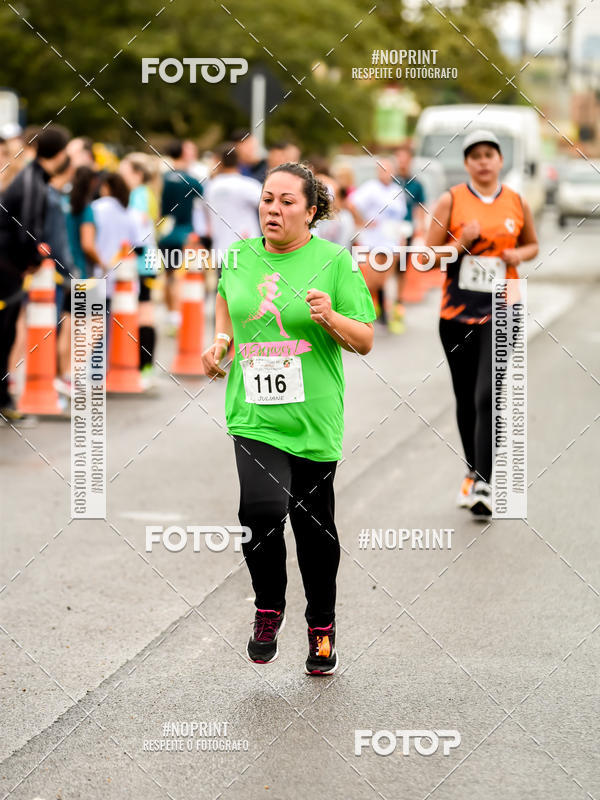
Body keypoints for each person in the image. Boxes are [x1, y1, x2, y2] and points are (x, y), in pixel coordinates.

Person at [201, 162, 375, 675]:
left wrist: (331, 317)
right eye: (267, 199)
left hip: (314, 416)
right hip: (253, 413)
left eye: (286, 202)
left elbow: (363, 339)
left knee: (314, 527)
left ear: (312, 211)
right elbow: (226, 312)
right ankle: (267, 607)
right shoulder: (237, 256)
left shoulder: (333, 261)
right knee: (259, 510)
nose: (272, 210)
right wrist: (218, 347)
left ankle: (321, 624)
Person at [425, 130, 538, 517]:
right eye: (476, 155)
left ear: (500, 160)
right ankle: (473, 470)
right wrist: (460, 243)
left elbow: (532, 245)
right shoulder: (451, 199)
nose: (484, 161)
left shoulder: (515, 201)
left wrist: (515, 253)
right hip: (456, 313)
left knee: (488, 393)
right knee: (466, 397)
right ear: (467, 162)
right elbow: (427, 256)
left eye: (490, 154)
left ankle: (485, 483)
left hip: (503, 308)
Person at [0, 125, 70, 420]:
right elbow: (28, 230)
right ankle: (4, 401)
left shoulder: (33, 178)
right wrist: (35, 257)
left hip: (11, 267)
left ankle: (3, 399)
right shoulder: (32, 181)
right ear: (60, 153)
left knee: (5, 334)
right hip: (6, 269)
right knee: (3, 333)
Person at [349, 157, 407, 324]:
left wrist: (401, 240)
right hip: (373, 243)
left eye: (388, 170)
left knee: (382, 281)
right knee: (371, 281)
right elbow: (352, 204)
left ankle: (375, 312)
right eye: (382, 170)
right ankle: (355, 311)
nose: (385, 173)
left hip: (392, 243)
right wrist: (362, 222)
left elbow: (399, 219)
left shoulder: (397, 191)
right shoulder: (370, 188)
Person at [120, 154, 160, 379]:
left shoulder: (139, 194)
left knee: (144, 310)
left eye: (124, 170)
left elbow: (139, 229)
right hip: (147, 259)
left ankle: (144, 364)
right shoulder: (146, 193)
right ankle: (143, 365)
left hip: (143, 260)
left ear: (137, 174)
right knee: (143, 308)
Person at [159, 139, 204, 332]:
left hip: (165, 232)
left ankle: (172, 314)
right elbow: (202, 198)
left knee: (168, 275)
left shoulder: (162, 177)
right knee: (181, 274)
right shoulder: (191, 180)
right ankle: (179, 317)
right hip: (184, 232)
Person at [389, 143, 427, 334]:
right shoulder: (389, 181)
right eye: (399, 159)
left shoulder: (417, 184)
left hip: (407, 230)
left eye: (405, 158)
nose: (402, 162)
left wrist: (421, 230)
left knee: (401, 269)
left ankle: (398, 304)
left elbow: (420, 208)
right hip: (389, 232)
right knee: (384, 266)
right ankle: (380, 305)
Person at [204, 143, 262, 258]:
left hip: (221, 252)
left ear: (218, 160)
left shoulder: (210, 187)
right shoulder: (249, 185)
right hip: (247, 250)